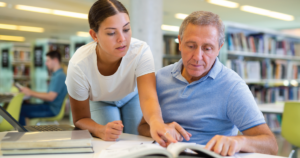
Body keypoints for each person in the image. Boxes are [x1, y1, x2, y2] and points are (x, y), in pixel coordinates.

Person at [138, 11, 278, 156]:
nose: (197, 57)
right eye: (191, 46)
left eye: (207, 48)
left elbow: (270, 145)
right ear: (180, 43)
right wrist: (162, 129)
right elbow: (143, 126)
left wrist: (239, 142)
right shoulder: (161, 77)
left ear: (219, 48)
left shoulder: (232, 86)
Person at [65, 0, 188, 146]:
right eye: (111, 32)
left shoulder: (140, 51)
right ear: (94, 35)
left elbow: (149, 97)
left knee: (137, 138)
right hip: (100, 100)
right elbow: (79, 119)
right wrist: (99, 130)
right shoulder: (79, 65)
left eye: (126, 29)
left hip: (132, 96)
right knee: (109, 141)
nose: (122, 39)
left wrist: (157, 123)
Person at [19, 50, 67, 125]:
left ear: (55, 60)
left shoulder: (60, 76)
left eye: (48, 60)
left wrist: (30, 93)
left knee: (20, 109)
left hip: (51, 109)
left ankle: (21, 135)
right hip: (48, 106)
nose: (46, 63)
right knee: (23, 106)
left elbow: (51, 97)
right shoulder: (57, 75)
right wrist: (30, 93)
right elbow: (50, 94)